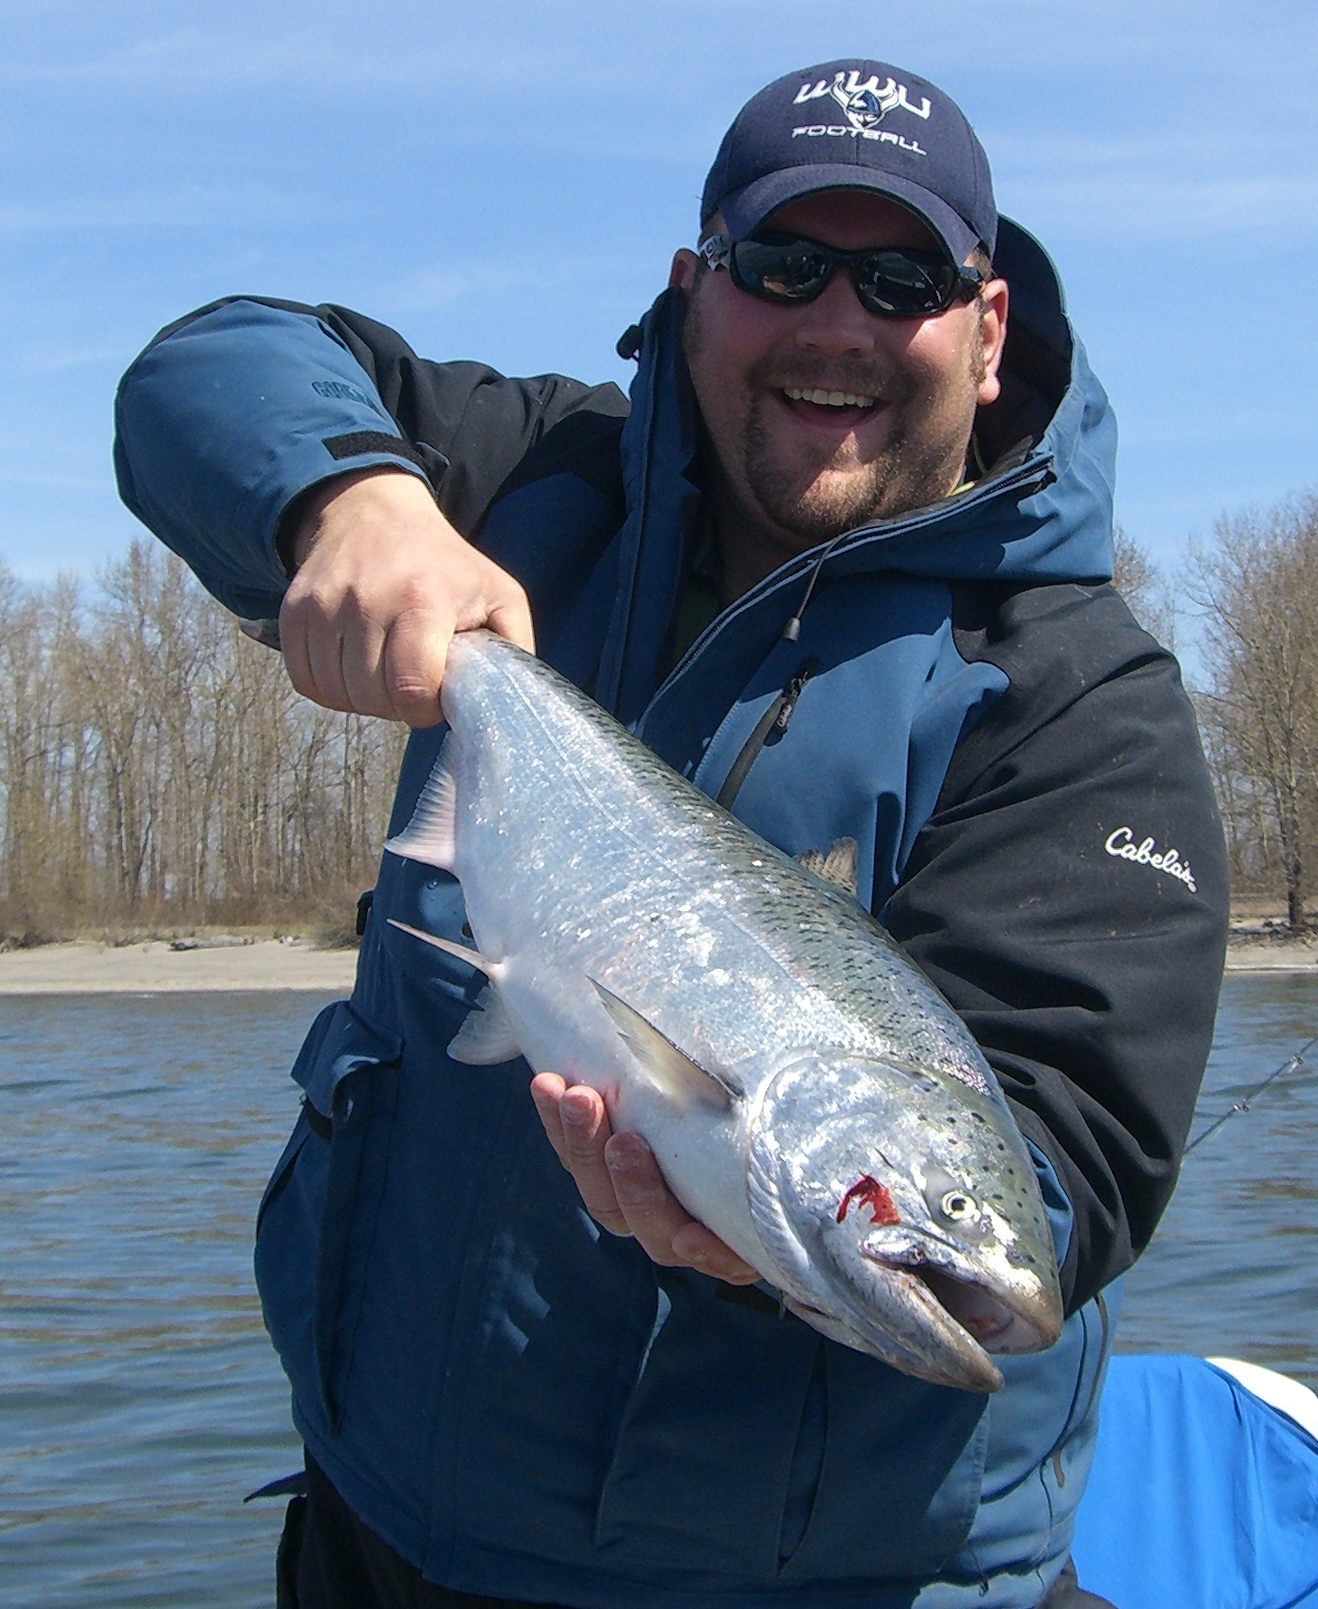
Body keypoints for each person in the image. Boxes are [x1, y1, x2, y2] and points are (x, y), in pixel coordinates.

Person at [113, 58, 1228, 1609]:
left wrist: (762, 1249)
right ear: (693, 291)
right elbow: (208, 368)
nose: (835, 322)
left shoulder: (1072, 693)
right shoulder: (537, 483)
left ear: (984, 335)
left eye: (899, 276)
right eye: (784, 266)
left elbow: (1064, 1149)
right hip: (380, 1533)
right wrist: (348, 499)